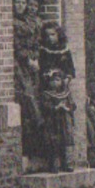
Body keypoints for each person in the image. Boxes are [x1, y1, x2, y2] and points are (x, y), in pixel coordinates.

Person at [38, 21, 77, 173]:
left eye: (53, 35)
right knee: (52, 136)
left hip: (63, 89)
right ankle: (53, 164)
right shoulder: (44, 51)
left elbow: (70, 68)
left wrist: (66, 78)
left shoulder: (64, 50)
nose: (50, 38)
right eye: (47, 35)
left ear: (58, 35)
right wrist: (48, 78)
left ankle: (67, 162)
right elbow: (42, 69)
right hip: (50, 90)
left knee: (66, 136)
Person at [12, 0, 43, 164]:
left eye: (23, 3)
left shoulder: (30, 22)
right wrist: (28, 59)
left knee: (35, 99)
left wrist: (35, 57)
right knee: (27, 100)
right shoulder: (14, 23)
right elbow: (16, 47)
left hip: (32, 65)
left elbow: (37, 42)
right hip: (20, 66)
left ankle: (36, 150)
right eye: (18, 3)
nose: (21, 6)